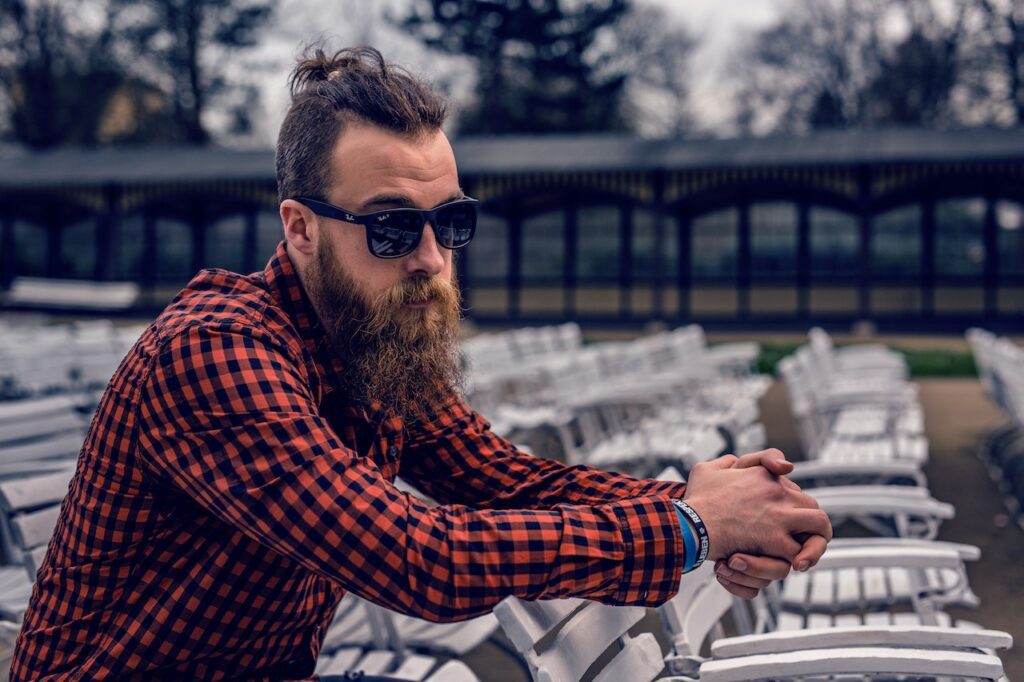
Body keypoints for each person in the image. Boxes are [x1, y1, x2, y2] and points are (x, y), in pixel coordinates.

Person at [11, 46, 830, 681]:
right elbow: (419, 558)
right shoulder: (217, 349)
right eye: (393, 228)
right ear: (299, 230)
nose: (431, 260)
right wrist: (691, 528)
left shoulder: (373, 342)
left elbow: (508, 482)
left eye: (452, 223)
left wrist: (716, 502)